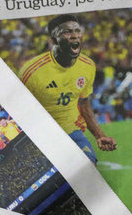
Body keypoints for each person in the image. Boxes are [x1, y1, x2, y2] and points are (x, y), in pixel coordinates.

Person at [19, 14, 116, 162]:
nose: (74, 36)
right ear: (52, 40)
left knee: (89, 167)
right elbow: (19, 112)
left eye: (77, 31)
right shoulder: (32, 71)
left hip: (72, 131)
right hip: (43, 137)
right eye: (66, 32)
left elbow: (83, 103)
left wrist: (99, 135)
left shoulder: (88, 66)